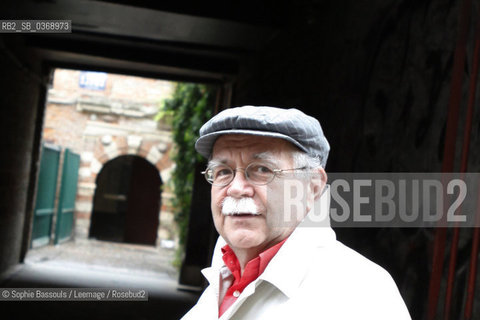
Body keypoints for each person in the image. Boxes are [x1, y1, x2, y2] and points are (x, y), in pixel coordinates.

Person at [181, 106, 411, 319]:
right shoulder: (221, 278)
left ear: (313, 186)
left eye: (262, 170)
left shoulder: (362, 292)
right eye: (222, 171)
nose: (237, 188)